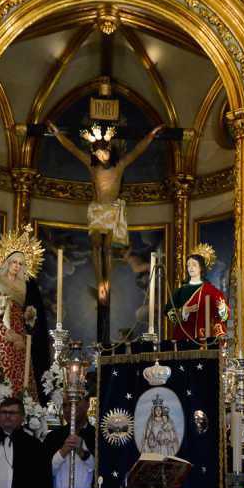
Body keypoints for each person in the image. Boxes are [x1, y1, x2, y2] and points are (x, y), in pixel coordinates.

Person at [49, 120, 163, 342]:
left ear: (110, 150)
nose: (103, 156)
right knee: (96, 246)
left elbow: (137, 152)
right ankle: (99, 279)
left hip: (111, 211)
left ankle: (106, 282)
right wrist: (56, 133)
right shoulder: (92, 167)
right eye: (99, 153)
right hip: (97, 210)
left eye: (105, 152)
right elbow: (73, 149)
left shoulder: (119, 166)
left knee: (108, 248)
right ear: (95, 154)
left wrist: (151, 135)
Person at [0, 229, 51, 397]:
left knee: (21, 368)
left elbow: (34, 313)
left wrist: (29, 323)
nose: (16, 266)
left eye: (20, 263)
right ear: (7, 261)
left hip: (20, 332)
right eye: (14, 262)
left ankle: (22, 401)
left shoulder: (28, 284)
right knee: (0, 366)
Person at [164, 248, 229, 344]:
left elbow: (223, 314)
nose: (190, 268)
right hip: (184, 335)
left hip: (206, 335)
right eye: (188, 265)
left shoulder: (211, 290)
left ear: (201, 268)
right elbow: (168, 311)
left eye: (194, 265)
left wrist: (221, 308)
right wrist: (184, 311)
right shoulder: (181, 291)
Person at [43, 397, 95, 488]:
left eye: (73, 404)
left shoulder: (97, 436)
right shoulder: (53, 437)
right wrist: (62, 452)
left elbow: (101, 471)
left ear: (87, 405)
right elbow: (44, 472)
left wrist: (83, 453)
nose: (67, 409)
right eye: (64, 405)